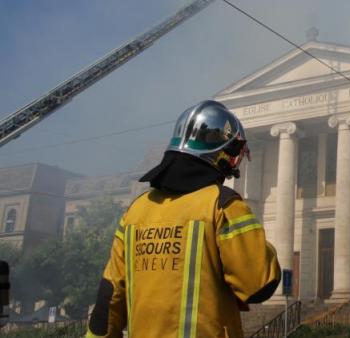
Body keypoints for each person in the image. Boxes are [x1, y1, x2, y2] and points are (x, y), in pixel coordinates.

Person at [86, 100, 281, 338]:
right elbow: (258, 285)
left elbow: (109, 296)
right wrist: (256, 242)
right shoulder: (223, 205)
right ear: (221, 153)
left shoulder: (136, 211)